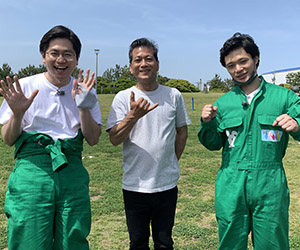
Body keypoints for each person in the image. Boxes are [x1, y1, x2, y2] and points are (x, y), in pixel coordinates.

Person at [0, 25, 102, 250]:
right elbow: (8, 139)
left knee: (73, 239)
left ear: (76, 59)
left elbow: (93, 139)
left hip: (72, 168)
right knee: (28, 237)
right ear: (43, 56)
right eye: (54, 53)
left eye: (68, 54)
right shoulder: (25, 86)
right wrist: (17, 113)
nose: (61, 60)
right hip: (32, 170)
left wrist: (84, 107)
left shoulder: (85, 90)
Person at [198, 32, 300, 250]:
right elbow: (213, 143)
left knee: (273, 244)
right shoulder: (223, 103)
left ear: (256, 59)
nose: (238, 69)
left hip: (270, 183)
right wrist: (207, 123)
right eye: (230, 65)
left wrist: (297, 124)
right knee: (230, 244)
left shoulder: (284, 98)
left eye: (243, 61)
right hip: (231, 183)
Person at [106, 38, 191, 249]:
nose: (143, 63)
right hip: (135, 186)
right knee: (137, 243)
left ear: (157, 64)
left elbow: (182, 131)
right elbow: (115, 139)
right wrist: (133, 116)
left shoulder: (173, 95)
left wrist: (170, 160)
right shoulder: (123, 98)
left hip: (166, 184)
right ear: (131, 67)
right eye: (138, 60)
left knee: (164, 242)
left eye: (149, 59)